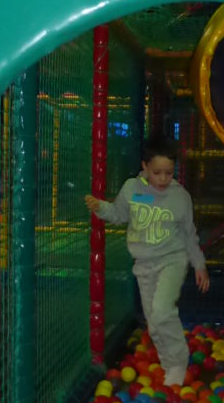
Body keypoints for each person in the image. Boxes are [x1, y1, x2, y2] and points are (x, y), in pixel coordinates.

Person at [85, 135, 210, 386]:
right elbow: (119, 214)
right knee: (154, 325)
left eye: (168, 173)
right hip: (144, 265)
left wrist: (199, 265)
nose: (163, 179)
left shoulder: (180, 197)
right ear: (144, 166)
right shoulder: (133, 189)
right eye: (157, 173)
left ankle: (177, 363)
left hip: (172, 261)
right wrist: (100, 207)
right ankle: (169, 365)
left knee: (162, 311)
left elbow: (189, 235)